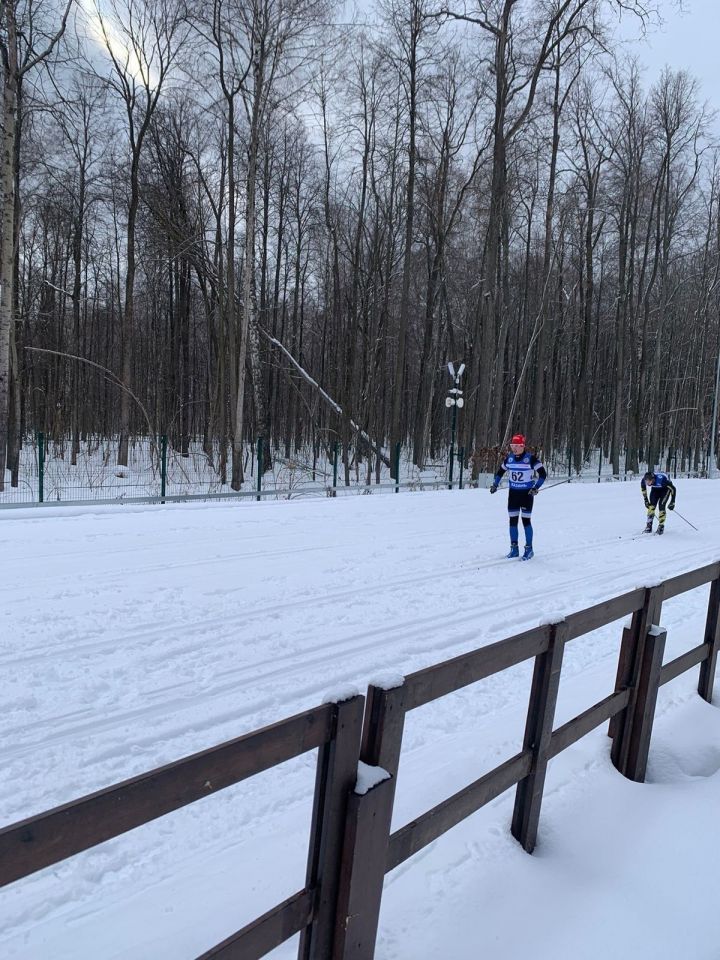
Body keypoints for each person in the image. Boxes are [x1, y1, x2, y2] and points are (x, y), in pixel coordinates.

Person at [490, 434, 547, 560]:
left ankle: (529, 549)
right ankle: (514, 549)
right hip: (513, 495)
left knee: (526, 521)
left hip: (526, 495)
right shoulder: (509, 459)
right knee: (512, 521)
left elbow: (543, 474)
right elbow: (500, 472)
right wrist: (495, 484)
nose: (514, 448)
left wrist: (536, 487)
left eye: (517, 446)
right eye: (512, 446)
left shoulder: (531, 459)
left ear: (523, 446)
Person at [641, 470, 676, 535]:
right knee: (651, 506)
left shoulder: (663, 480)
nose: (647, 483)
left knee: (661, 506)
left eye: (649, 481)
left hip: (665, 489)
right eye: (646, 481)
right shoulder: (644, 480)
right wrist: (645, 500)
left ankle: (661, 526)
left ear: (653, 479)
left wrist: (672, 502)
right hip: (655, 489)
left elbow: (673, 489)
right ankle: (649, 525)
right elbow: (643, 489)